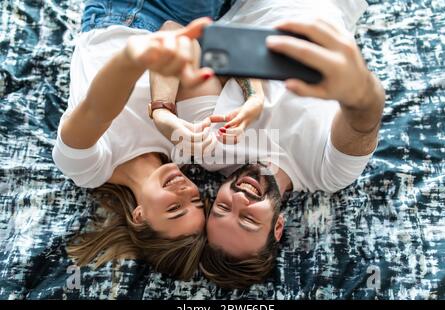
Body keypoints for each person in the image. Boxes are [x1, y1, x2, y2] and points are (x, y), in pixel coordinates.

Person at [190, 0, 385, 288]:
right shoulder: (326, 174)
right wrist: (358, 90)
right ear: (278, 226)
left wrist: (253, 92)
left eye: (222, 209)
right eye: (247, 220)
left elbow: (200, 46)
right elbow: (365, 116)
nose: (239, 200)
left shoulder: (208, 148)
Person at [52, 0, 223, 280]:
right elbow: (174, 33)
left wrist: (140, 63)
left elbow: (96, 110)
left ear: (139, 216)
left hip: (120, 15)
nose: (185, 190)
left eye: (174, 208)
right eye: (195, 201)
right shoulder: (183, 148)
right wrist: (163, 109)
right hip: (179, 18)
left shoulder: (89, 168)